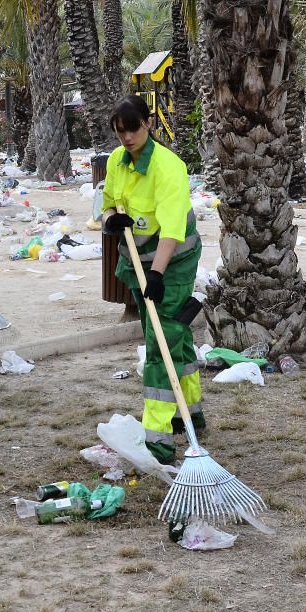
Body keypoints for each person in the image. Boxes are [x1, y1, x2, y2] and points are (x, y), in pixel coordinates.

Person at [101, 95, 204, 465]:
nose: (126, 138)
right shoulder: (117, 161)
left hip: (172, 263)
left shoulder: (168, 168)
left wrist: (158, 275)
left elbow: (173, 231)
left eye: (133, 129)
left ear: (149, 124)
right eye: (119, 132)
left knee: (161, 344)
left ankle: (159, 436)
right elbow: (109, 203)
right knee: (173, 335)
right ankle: (190, 411)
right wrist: (112, 218)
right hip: (137, 262)